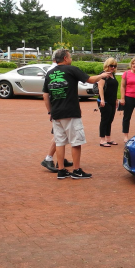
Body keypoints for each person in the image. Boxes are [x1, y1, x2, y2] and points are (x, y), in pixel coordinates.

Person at [42, 49, 110, 179]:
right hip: (71, 112)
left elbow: (45, 94)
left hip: (56, 113)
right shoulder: (71, 69)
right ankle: (77, 170)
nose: (71, 58)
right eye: (70, 56)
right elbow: (90, 80)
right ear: (66, 58)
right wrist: (102, 75)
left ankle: (61, 170)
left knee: (60, 142)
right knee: (76, 142)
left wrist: (50, 111)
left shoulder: (50, 73)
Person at [40, 51, 73, 172]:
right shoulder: (57, 70)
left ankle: (61, 158)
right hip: (59, 109)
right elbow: (47, 94)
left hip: (58, 108)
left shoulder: (53, 69)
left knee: (61, 135)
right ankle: (48, 158)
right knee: (59, 136)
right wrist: (50, 112)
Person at [97, 58, 119, 147]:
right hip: (104, 101)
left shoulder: (113, 75)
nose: (113, 67)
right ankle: (102, 140)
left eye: (114, 66)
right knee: (104, 120)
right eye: (111, 66)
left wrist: (116, 99)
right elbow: (100, 87)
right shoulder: (103, 75)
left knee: (110, 120)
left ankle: (108, 138)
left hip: (112, 101)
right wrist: (102, 99)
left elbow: (114, 89)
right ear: (107, 66)